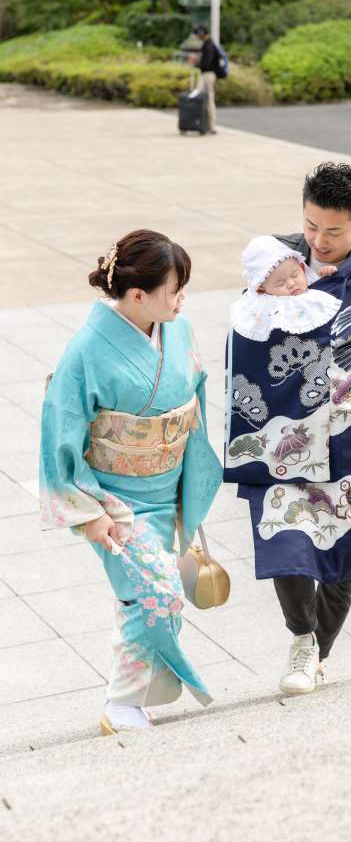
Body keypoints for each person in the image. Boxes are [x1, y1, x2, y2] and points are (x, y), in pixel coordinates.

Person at [224, 162, 351, 696]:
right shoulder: (278, 259)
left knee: (343, 557)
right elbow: (246, 332)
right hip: (284, 432)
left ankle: (318, 653)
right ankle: (300, 638)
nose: (318, 240)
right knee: (285, 535)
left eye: (333, 231)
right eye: (311, 226)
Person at [40, 230, 223, 734]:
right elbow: (61, 429)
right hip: (113, 499)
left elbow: (193, 397)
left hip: (166, 490)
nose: (181, 299)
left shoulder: (176, 329)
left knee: (147, 595)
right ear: (137, 294)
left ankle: (132, 700)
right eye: (174, 289)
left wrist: (192, 478)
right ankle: (121, 704)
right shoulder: (86, 350)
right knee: (156, 591)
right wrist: (88, 512)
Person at [229, 234, 341, 342]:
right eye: (280, 283)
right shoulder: (265, 303)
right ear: (261, 289)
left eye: (295, 275)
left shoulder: (309, 280)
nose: (291, 283)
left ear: (302, 268)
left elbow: (321, 287)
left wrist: (326, 275)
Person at [193, 23, 218, 135]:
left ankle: (211, 126)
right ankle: (204, 124)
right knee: (204, 98)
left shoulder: (209, 45)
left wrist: (196, 63)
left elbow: (206, 63)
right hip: (206, 75)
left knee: (207, 99)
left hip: (207, 75)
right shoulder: (208, 44)